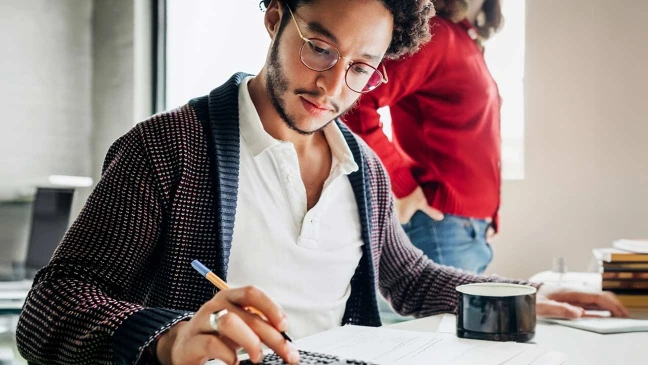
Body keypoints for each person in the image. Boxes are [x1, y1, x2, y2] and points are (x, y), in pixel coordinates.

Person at [16, 1, 629, 364]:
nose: (332, 87)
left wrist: (516, 291)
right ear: (275, 17)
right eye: (318, 49)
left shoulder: (363, 169)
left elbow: (410, 278)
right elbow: (50, 306)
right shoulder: (165, 149)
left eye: (360, 68)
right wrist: (172, 342)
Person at [343, 0, 507, 274]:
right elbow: (355, 103)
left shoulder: (466, 39)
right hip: (443, 227)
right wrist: (402, 185)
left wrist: (488, 214)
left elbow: (476, 140)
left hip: (469, 229)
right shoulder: (438, 35)